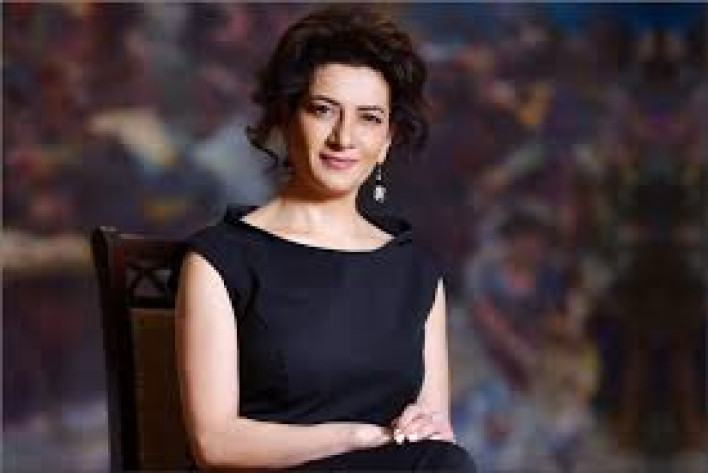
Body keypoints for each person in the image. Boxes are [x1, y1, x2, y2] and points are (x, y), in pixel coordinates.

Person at [175, 6, 476, 472]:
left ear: (388, 139)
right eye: (323, 110)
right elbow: (214, 444)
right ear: (285, 116)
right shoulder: (221, 258)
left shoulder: (415, 271)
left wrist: (421, 428)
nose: (344, 137)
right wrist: (358, 437)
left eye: (369, 118)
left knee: (444, 461)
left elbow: (434, 430)